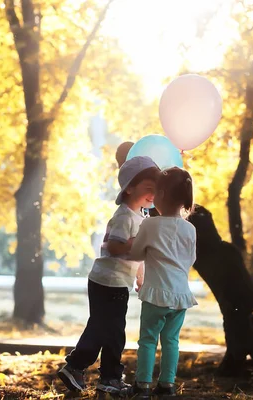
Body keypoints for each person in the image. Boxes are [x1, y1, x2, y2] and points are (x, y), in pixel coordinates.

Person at [58, 155, 160, 396]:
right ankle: (83, 368)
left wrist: (140, 274)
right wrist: (133, 244)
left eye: (156, 190)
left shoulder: (140, 217)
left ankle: (104, 375)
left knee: (107, 329)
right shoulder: (124, 216)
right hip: (108, 282)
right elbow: (114, 247)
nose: (153, 194)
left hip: (113, 282)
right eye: (148, 188)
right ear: (129, 189)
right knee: (109, 331)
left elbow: (138, 256)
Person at [128, 167, 197, 398]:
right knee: (171, 341)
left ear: (163, 194)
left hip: (156, 294)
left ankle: (143, 384)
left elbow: (136, 254)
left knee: (148, 339)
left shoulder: (150, 225)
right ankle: (167, 385)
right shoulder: (190, 229)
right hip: (180, 296)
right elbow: (191, 259)